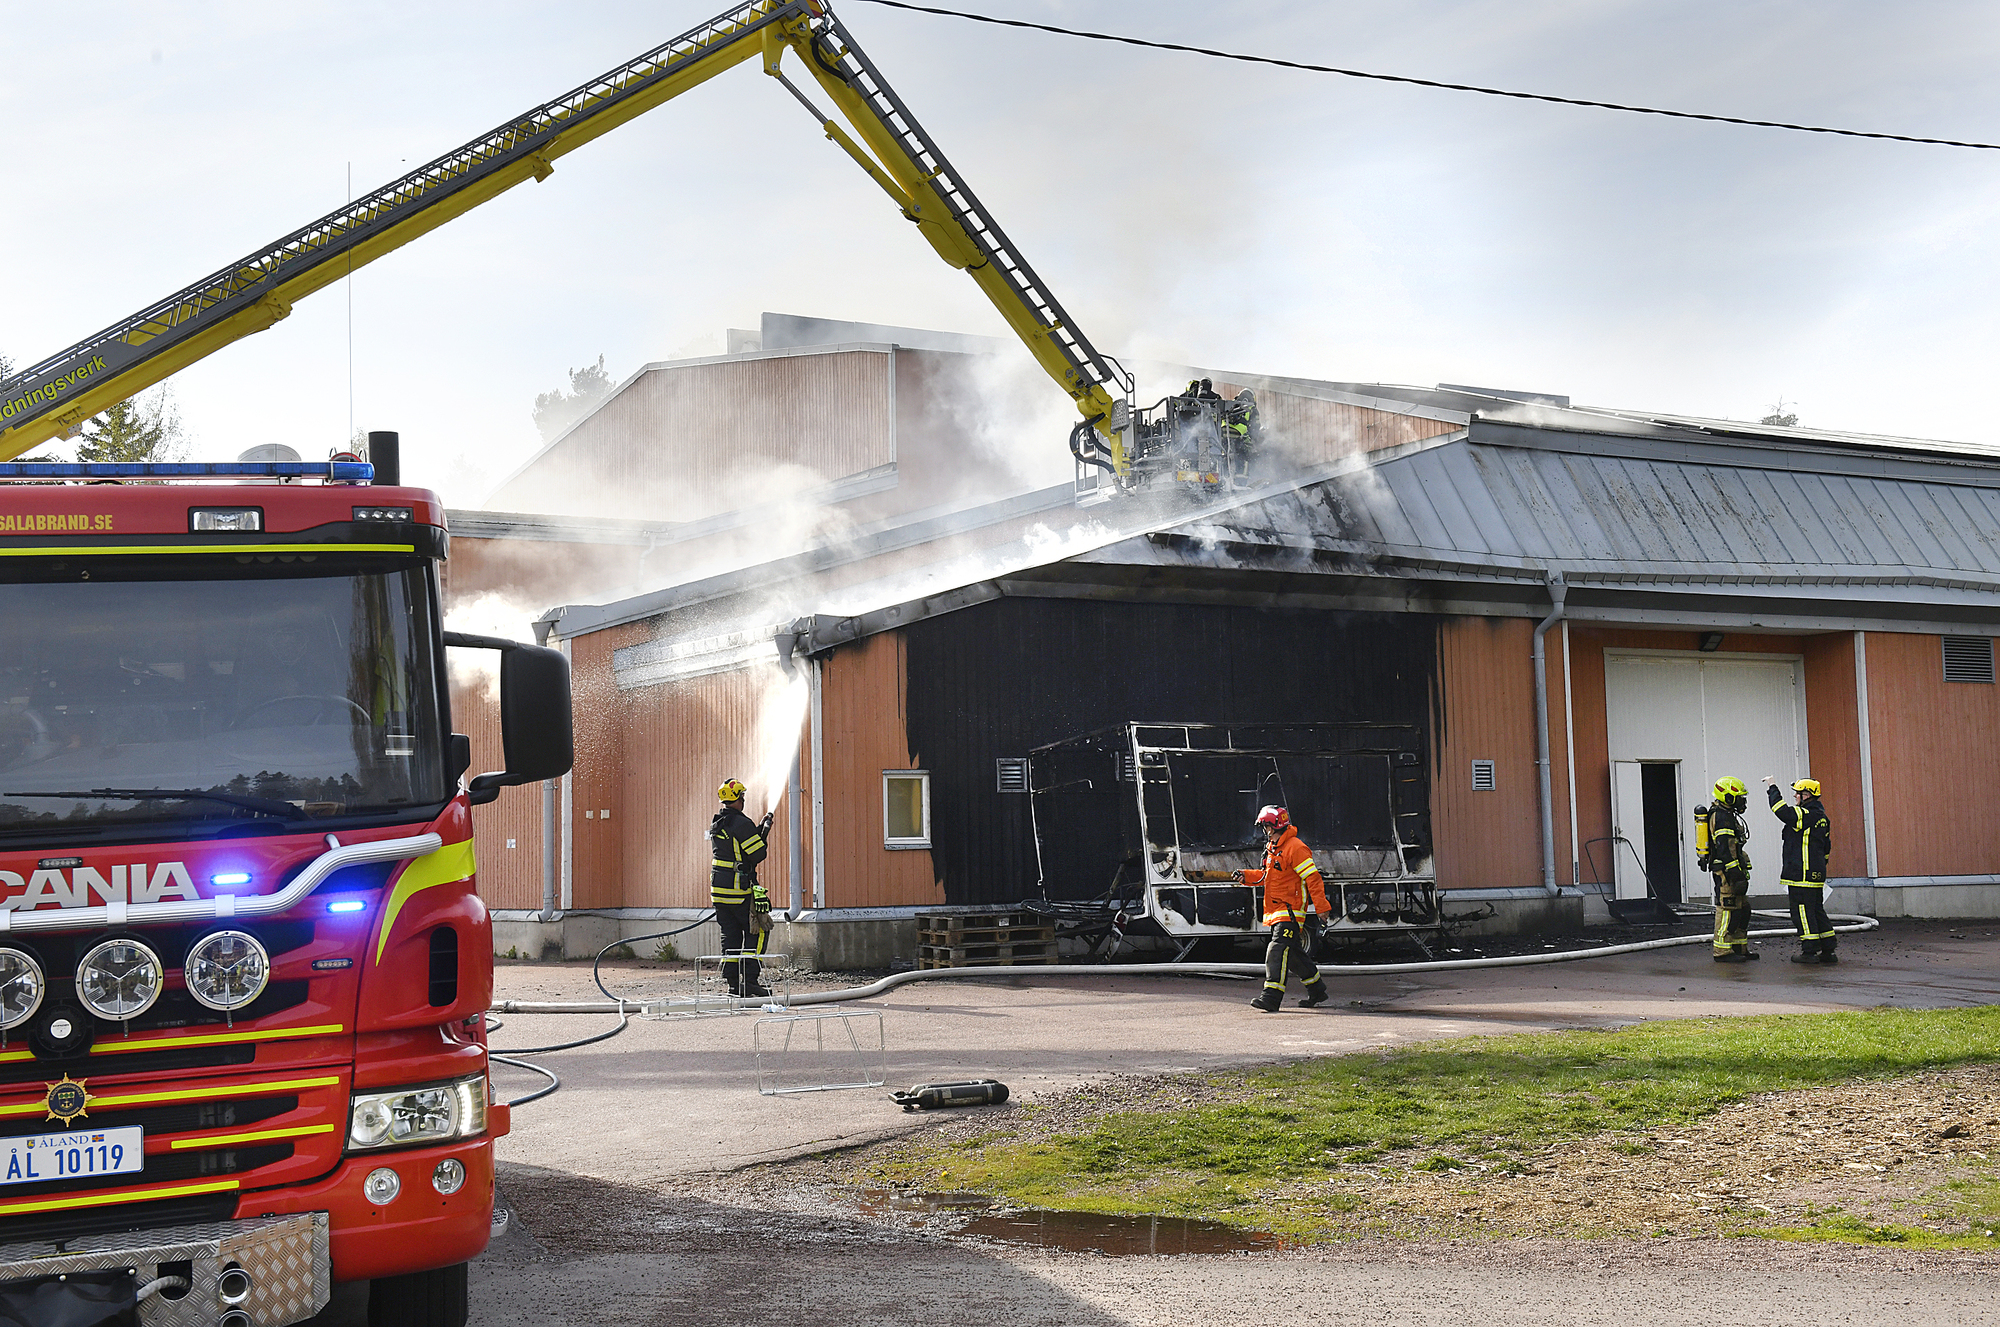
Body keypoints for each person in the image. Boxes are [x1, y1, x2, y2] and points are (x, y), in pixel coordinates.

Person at [1232, 805, 1331, 1011]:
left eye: (1267, 826)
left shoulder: (1295, 848)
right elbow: (1264, 876)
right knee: (1293, 956)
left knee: (1276, 950)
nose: (1265, 831)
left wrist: (1322, 907)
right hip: (1277, 911)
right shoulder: (1272, 848)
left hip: (1291, 912)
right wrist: (1245, 876)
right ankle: (1317, 990)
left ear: (1276, 826)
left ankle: (1271, 997)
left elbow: (1313, 878)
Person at [709, 778, 774, 997]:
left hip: (719, 891)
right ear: (738, 798)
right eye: (742, 796)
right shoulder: (741, 824)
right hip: (739, 890)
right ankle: (750, 980)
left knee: (731, 935)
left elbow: (740, 848)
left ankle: (734, 984)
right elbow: (757, 854)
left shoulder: (718, 822)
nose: (744, 799)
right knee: (758, 929)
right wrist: (762, 834)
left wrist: (758, 831)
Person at [1765, 775, 1836, 964]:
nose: (1795, 796)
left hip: (1801, 874)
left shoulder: (1805, 814)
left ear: (1807, 795)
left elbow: (1780, 810)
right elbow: (1826, 847)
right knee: (1816, 910)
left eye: (1798, 793)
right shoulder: (1822, 817)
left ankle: (1809, 951)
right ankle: (1828, 949)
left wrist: (1772, 787)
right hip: (1816, 873)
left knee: (1802, 912)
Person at [1703, 777, 1757, 963]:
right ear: (1728, 797)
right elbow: (1725, 848)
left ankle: (1739, 947)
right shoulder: (1721, 817)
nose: (1743, 802)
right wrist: (1734, 873)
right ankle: (1722, 951)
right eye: (1739, 797)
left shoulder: (1727, 814)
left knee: (1742, 909)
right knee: (1727, 908)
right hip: (1725, 871)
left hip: (1734, 869)